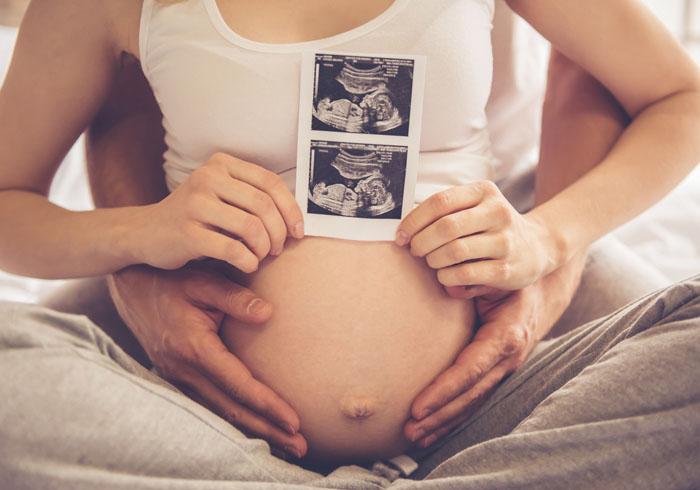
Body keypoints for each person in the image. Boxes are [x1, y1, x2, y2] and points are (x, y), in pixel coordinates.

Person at [0, 0, 699, 486]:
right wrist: (139, 233)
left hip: (494, 399)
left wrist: (549, 238)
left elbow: (676, 96)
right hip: (203, 416)